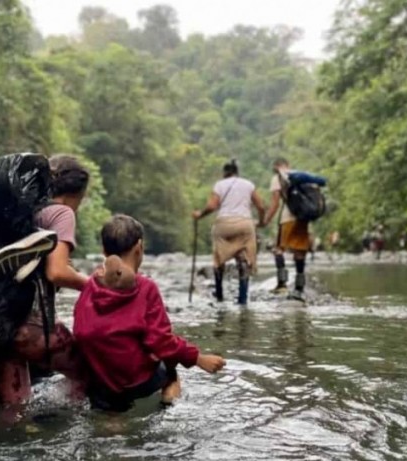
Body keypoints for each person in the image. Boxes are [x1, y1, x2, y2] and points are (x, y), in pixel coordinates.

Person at [73, 215, 227, 412]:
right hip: (136, 381)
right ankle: (167, 404)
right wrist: (198, 358)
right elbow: (160, 341)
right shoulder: (145, 287)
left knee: (111, 417)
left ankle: (113, 421)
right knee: (171, 369)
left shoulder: (91, 285)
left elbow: (81, 328)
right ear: (139, 247)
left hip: (100, 382)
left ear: (104, 251)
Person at [0, 155, 91, 410]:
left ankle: (15, 439)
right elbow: (57, 273)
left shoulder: (19, 209)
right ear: (77, 194)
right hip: (25, 327)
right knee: (89, 374)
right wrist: (96, 285)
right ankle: (64, 427)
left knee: (14, 409)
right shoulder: (61, 212)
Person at [192, 160, 266, 304]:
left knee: (219, 259)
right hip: (244, 223)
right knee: (244, 259)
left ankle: (219, 295)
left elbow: (212, 206)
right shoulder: (248, 184)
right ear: (237, 172)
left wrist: (200, 215)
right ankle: (242, 299)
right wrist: (262, 222)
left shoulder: (220, 185)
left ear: (225, 173)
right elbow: (261, 207)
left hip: (224, 224)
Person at [263, 158, 324, 300]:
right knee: (300, 252)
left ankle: (282, 284)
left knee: (278, 249)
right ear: (288, 165)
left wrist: (265, 220)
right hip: (302, 218)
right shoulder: (301, 177)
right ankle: (299, 287)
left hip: (287, 218)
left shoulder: (278, 178)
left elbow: (275, 203)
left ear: (276, 166)